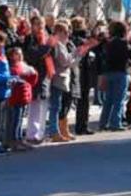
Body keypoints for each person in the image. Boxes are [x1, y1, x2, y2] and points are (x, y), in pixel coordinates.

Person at [48, 22, 94, 142]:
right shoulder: (57, 44)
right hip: (58, 78)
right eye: (65, 32)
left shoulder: (62, 44)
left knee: (59, 106)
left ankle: (59, 131)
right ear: (58, 32)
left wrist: (77, 54)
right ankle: (54, 132)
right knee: (56, 107)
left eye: (68, 32)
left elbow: (69, 61)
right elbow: (65, 62)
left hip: (62, 78)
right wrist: (77, 54)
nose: (68, 34)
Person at [100, 21, 131, 131]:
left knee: (108, 99)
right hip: (121, 72)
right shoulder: (125, 43)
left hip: (109, 72)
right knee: (119, 99)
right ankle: (115, 123)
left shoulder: (108, 43)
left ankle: (103, 122)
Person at [24, 16, 54, 144]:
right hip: (36, 75)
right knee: (35, 105)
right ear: (32, 25)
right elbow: (31, 54)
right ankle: (32, 134)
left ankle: (40, 133)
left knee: (44, 105)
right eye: (37, 23)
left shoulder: (46, 37)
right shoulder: (30, 38)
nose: (40, 26)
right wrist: (46, 48)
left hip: (46, 74)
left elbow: (53, 54)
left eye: (41, 23)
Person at [7, 47, 37, 152]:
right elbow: (15, 79)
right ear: (11, 56)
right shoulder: (13, 67)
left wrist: (32, 74)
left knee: (20, 119)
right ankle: (14, 140)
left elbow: (31, 80)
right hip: (16, 97)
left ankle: (19, 139)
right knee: (16, 119)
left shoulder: (24, 65)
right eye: (17, 54)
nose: (19, 56)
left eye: (20, 53)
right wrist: (23, 77)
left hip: (24, 95)